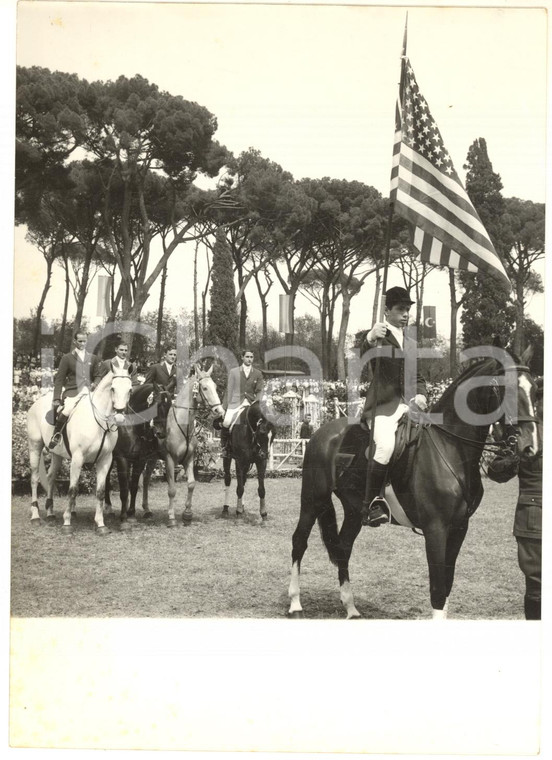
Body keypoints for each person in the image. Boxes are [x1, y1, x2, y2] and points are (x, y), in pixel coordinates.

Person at [360, 286, 428, 527]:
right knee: (386, 445)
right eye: (400, 309)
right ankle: (371, 503)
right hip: (381, 407)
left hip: (407, 407)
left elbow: (418, 376)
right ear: (387, 310)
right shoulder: (378, 335)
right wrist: (369, 338)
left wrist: (421, 395)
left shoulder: (410, 342)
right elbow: (364, 357)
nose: (406, 314)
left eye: (408, 309)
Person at [487, 378, 543, 620]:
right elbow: (495, 472)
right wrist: (515, 458)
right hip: (534, 519)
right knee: (537, 587)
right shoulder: (523, 433)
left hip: (532, 517)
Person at [49, 331, 103, 449]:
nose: (83, 343)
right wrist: (57, 397)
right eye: (80, 341)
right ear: (75, 342)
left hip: (90, 391)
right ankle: (56, 434)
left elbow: (98, 375)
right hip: (73, 391)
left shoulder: (93, 358)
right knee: (67, 409)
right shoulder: (67, 358)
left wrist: (95, 383)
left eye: (84, 341)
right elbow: (59, 379)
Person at [220, 349, 265, 457]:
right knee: (226, 421)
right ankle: (225, 447)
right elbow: (229, 390)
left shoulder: (258, 373)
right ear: (242, 357)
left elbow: (259, 390)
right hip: (236, 402)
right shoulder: (234, 372)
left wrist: (256, 404)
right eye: (247, 357)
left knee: (261, 424)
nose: (249, 359)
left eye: (251, 357)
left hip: (251, 403)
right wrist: (224, 407)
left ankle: (261, 448)